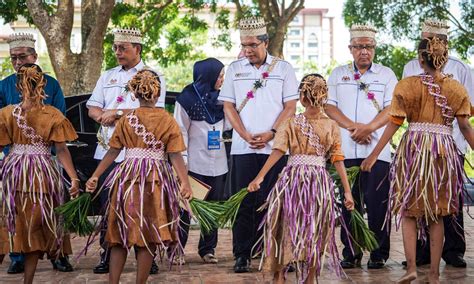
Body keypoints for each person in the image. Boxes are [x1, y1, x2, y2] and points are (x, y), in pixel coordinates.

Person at [360, 36, 474, 284]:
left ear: (420, 59)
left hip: (413, 152)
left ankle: (411, 267)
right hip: (442, 152)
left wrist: (373, 154)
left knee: (410, 212)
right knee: (436, 214)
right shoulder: (457, 89)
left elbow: (395, 123)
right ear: (444, 59)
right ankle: (433, 274)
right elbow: (465, 127)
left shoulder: (407, 86)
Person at [85, 69, 192, 284]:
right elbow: (175, 155)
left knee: (119, 234)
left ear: (134, 94)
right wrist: (184, 182)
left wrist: (95, 175)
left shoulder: (126, 120)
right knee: (148, 235)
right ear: (158, 92)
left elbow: (113, 151)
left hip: (127, 179)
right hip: (155, 182)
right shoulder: (168, 120)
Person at [248, 74, 355, 283]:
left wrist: (259, 177)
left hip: (293, 180)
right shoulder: (331, 125)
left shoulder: (291, 123)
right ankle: (309, 277)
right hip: (318, 183)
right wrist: (347, 191)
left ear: (302, 98)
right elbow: (338, 158)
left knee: (285, 225)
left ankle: (280, 275)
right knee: (316, 228)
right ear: (324, 97)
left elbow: (278, 151)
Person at [218, 16, 299, 273]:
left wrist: (272, 132)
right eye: (244, 45)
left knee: (275, 201)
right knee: (244, 202)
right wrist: (242, 134)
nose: (247, 50)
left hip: (274, 149)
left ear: (265, 42)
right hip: (243, 149)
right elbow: (228, 104)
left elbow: (290, 106)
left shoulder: (283, 68)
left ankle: (274, 253)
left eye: (252, 44)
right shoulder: (234, 69)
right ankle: (242, 254)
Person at [86, 28, 166, 274]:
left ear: (137, 49)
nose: (117, 52)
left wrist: (118, 113)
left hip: (139, 154)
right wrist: (102, 116)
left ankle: (147, 256)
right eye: (115, 47)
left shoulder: (153, 75)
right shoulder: (107, 76)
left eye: (123, 48)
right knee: (109, 205)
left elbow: (157, 111)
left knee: (144, 206)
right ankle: (107, 254)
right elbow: (93, 107)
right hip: (109, 151)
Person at [401, 18, 474, 268]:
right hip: (419, 148)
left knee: (450, 199)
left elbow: (467, 109)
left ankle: (454, 251)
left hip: (451, 143)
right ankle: (421, 253)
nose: (433, 44)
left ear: (446, 42)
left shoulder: (460, 68)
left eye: (438, 39)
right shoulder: (410, 67)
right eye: (428, 39)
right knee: (417, 198)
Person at [325, 24, 398, 269]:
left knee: (378, 204)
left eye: (368, 46)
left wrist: (369, 128)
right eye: (359, 47)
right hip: (345, 150)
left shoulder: (386, 74)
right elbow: (329, 107)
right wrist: (354, 127)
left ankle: (378, 253)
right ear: (350, 48)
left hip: (377, 153)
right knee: (348, 203)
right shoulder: (337, 74)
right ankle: (350, 251)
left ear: (374, 48)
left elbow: (392, 110)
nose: (364, 51)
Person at [0, 63, 80, 284]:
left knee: (11, 223)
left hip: (14, 174)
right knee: (35, 225)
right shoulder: (52, 114)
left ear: (18, 86)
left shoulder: (6, 114)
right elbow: (61, 150)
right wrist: (73, 177)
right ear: (43, 84)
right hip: (42, 176)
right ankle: (28, 281)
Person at [174, 57, 228, 264]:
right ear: (208, 75)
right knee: (185, 209)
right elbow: (180, 132)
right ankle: (177, 249)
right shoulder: (186, 99)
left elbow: (230, 125)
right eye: (219, 75)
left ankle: (208, 249)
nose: (222, 79)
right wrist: (183, 164)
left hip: (219, 163)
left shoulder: (223, 100)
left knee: (212, 208)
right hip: (194, 164)